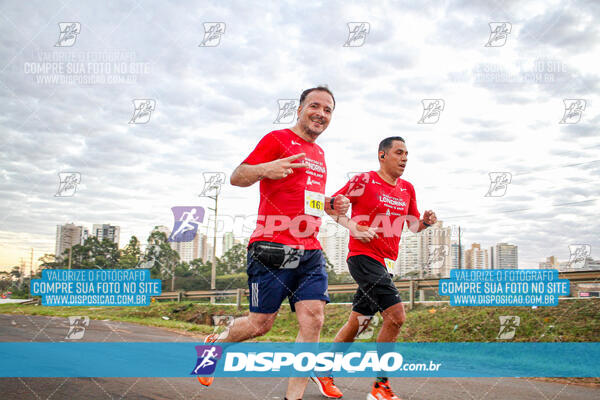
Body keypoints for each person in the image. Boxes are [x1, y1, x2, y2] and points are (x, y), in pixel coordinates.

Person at [198, 86, 350, 400]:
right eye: (315, 106)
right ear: (300, 109)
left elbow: (306, 200)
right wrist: (264, 169)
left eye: (328, 110)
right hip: (272, 246)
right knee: (260, 324)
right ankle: (214, 344)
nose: (321, 114)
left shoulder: (319, 154)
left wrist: (330, 204)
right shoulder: (276, 139)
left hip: (309, 249)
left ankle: (292, 397)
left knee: (314, 320)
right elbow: (238, 175)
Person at [316, 136, 437, 400]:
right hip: (363, 256)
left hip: (386, 263)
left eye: (407, 153)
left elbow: (412, 226)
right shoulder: (364, 180)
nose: (404, 158)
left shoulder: (407, 189)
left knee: (360, 320)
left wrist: (425, 223)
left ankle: (323, 369)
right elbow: (330, 206)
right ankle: (380, 386)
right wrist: (353, 228)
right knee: (396, 317)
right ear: (382, 155)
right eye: (399, 152)